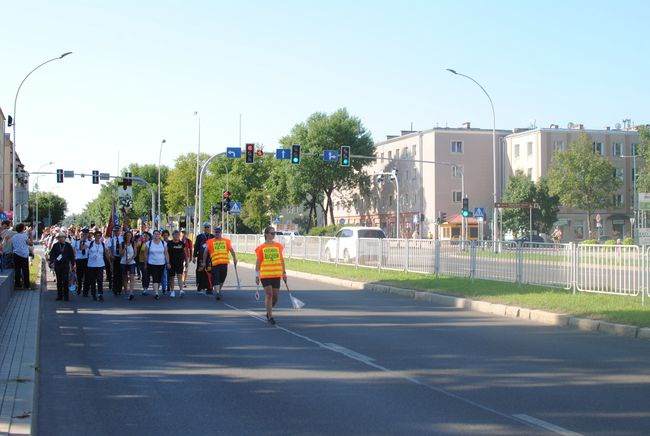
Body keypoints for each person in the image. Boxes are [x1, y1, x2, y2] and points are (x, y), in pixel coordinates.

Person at [255, 226, 287, 325]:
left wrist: (284, 272)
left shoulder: (278, 246)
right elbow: (258, 262)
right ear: (266, 234)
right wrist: (257, 275)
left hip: (276, 274)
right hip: (265, 275)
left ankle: (269, 310)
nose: (274, 235)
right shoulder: (261, 248)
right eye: (272, 233)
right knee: (269, 295)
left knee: (276, 297)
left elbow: (281, 260)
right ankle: (270, 316)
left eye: (274, 233)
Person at [202, 227, 237, 301]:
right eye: (216, 232)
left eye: (218, 232)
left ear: (221, 233)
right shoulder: (210, 241)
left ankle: (218, 289)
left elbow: (231, 250)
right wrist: (204, 262)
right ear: (214, 233)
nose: (217, 234)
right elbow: (205, 252)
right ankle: (217, 292)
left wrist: (234, 258)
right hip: (215, 263)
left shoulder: (226, 241)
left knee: (222, 278)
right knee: (216, 278)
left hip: (224, 263)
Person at [49, 233, 76, 301]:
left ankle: (66, 296)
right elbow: (52, 254)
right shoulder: (55, 245)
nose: (61, 238)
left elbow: (71, 255)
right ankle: (59, 295)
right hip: (58, 265)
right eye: (59, 237)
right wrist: (52, 262)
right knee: (59, 281)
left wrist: (73, 265)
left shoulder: (68, 245)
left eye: (62, 237)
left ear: (65, 238)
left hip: (65, 265)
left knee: (65, 280)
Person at [145, 230, 170, 300]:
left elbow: (166, 253)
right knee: (155, 277)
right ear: (153, 235)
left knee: (159, 279)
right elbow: (146, 254)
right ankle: (156, 293)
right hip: (152, 263)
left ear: (159, 235)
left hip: (161, 263)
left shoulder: (163, 243)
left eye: (158, 234)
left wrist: (167, 262)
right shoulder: (148, 243)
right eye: (155, 234)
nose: (156, 235)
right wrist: (145, 263)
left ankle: (156, 290)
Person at [87, 230, 109, 301]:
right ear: (94, 236)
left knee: (100, 280)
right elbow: (83, 248)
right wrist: (81, 241)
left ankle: (100, 294)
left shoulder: (102, 244)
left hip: (100, 264)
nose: (98, 237)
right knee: (93, 280)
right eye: (96, 236)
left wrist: (110, 261)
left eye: (99, 236)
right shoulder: (90, 243)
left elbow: (106, 253)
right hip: (91, 265)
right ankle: (93, 294)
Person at [193, 223, 214, 293]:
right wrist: (194, 256)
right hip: (201, 257)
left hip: (210, 258)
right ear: (204, 228)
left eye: (208, 227)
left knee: (209, 272)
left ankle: (209, 287)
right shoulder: (200, 237)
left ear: (210, 228)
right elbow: (196, 247)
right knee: (200, 271)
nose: (207, 229)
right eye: (206, 227)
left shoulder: (213, 237)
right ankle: (200, 285)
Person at [12, 223, 33, 289]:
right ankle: (26, 286)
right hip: (24, 255)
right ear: (22, 228)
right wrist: (31, 235)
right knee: (25, 271)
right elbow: (30, 244)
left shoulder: (14, 236)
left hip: (16, 254)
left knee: (17, 270)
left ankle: (17, 285)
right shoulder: (24, 236)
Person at [167, 230, 187, 298]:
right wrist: (168, 262)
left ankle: (181, 290)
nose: (176, 236)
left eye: (178, 235)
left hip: (179, 263)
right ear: (172, 235)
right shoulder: (169, 243)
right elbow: (166, 253)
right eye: (175, 235)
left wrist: (186, 262)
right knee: (171, 277)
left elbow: (184, 253)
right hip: (171, 263)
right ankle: (172, 291)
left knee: (179, 276)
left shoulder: (181, 244)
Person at [72, 228, 90, 296]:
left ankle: (85, 291)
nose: (84, 236)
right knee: (79, 276)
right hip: (79, 260)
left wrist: (81, 242)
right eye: (82, 234)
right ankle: (79, 288)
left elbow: (81, 248)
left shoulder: (89, 242)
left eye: (85, 234)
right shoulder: (75, 241)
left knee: (87, 276)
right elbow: (73, 250)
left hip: (86, 260)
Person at [120, 231, 137, 300]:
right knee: (124, 277)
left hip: (131, 262)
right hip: (123, 262)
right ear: (125, 236)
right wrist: (124, 248)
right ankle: (126, 291)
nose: (128, 237)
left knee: (132, 276)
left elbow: (135, 253)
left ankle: (131, 292)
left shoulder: (133, 243)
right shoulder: (122, 243)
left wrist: (130, 259)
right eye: (127, 235)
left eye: (130, 235)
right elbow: (121, 254)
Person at [106, 228, 124, 295]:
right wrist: (111, 255)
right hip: (114, 258)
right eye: (115, 231)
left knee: (120, 274)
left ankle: (119, 288)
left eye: (117, 231)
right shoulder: (111, 239)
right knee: (115, 274)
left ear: (119, 231)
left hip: (121, 257)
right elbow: (109, 248)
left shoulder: (122, 239)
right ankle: (115, 288)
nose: (116, 232)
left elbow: (124, 247)